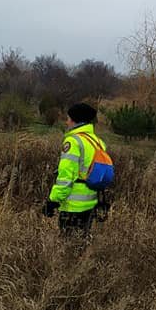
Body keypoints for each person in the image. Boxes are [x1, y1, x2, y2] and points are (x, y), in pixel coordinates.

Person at [43, 102, 108, 239]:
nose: (66, 122)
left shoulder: (73, 142)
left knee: (68, 244)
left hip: (73, 205)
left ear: (74, 120)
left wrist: (53, 200)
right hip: (91, 202)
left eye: (68, 118)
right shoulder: (97, 141)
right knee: (82, 242)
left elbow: (66, 176)